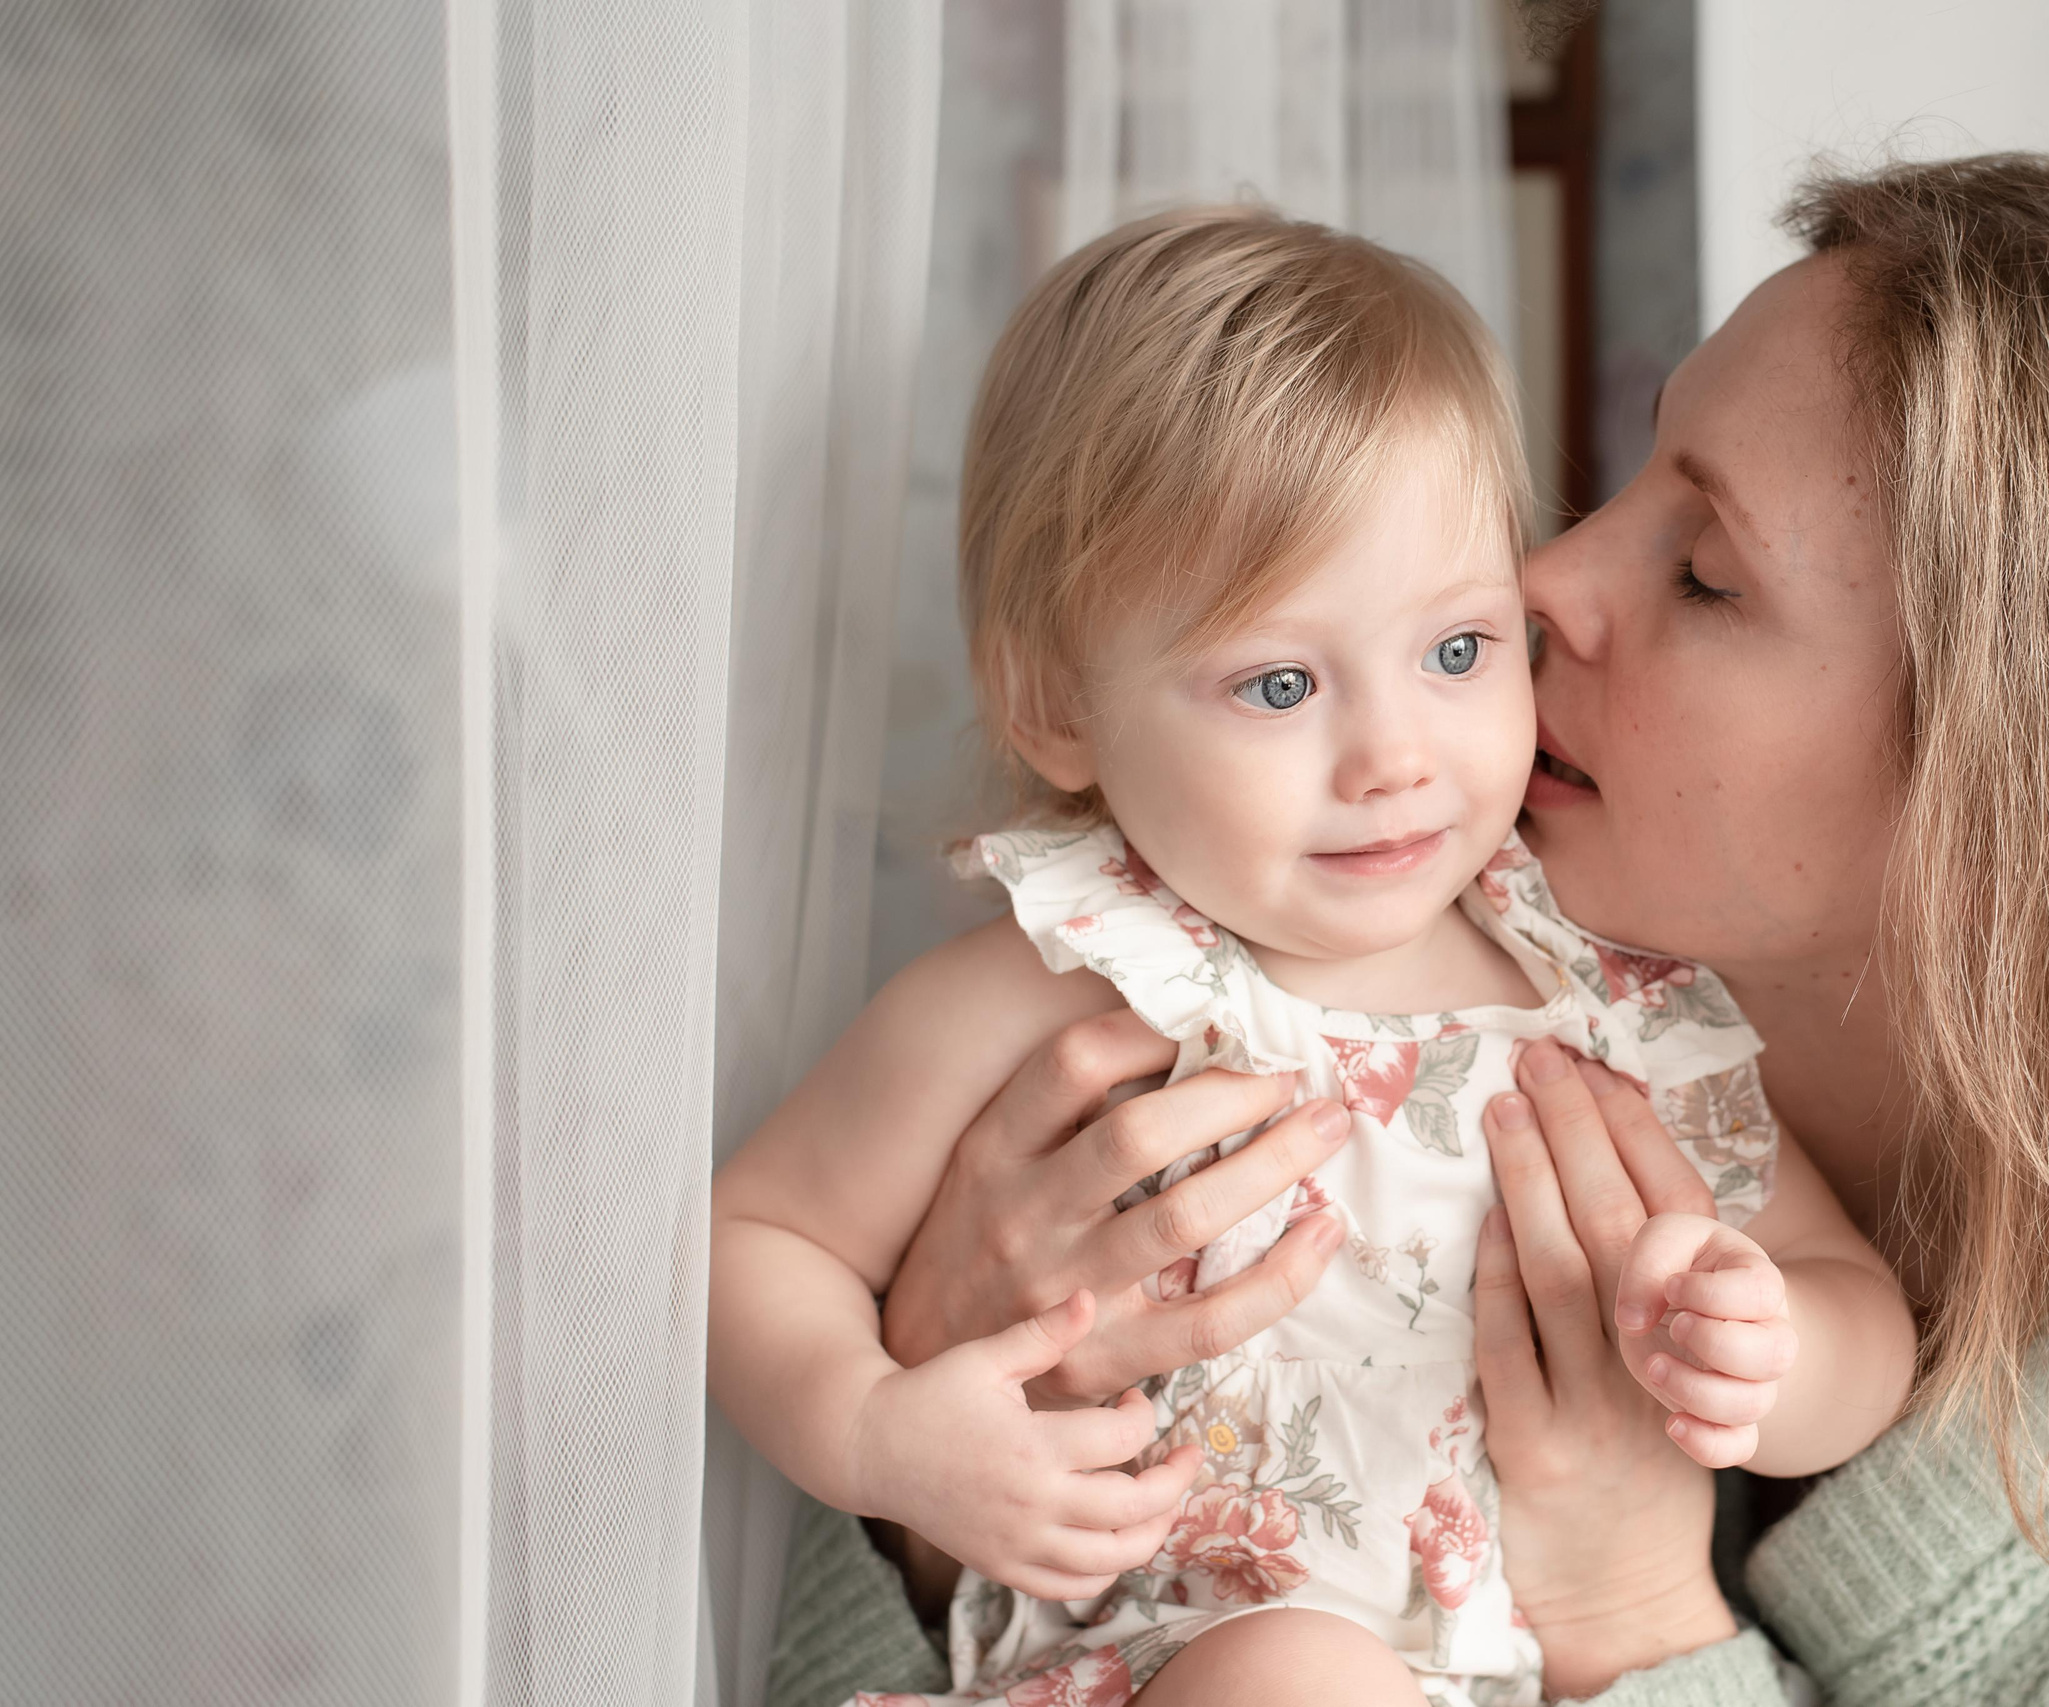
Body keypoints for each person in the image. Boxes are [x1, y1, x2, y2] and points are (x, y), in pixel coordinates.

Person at [758, 154, 2049, 1706]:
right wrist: (928, 1489)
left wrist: (1631, 1617)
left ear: (2013, 813)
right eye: (1627, 479)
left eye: (1704, 573)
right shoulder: (1187, 1009)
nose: (1539, 581)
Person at [709, 207, 1916, 1707]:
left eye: (1459, 651)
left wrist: (1765, 1346)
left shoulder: (1611, 997)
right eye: (1281, 683)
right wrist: (875, 1435)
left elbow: (1852, 1306)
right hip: (1175, 1667)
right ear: (1061, 708)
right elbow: (759, 1240)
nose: (1395, 756)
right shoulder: (1071, 990)